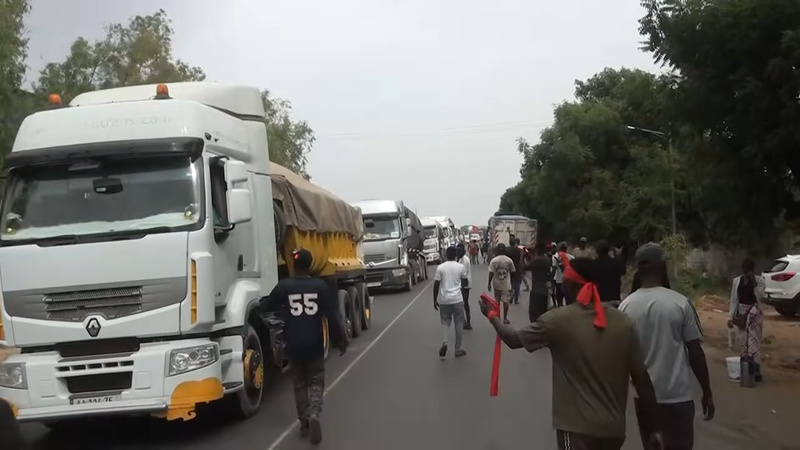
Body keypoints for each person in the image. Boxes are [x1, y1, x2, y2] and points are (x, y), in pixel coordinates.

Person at [480, 257, 664, 450]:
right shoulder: (623, 322)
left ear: (570, 285)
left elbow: (513, 339)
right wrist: (654, 429)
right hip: (614, 431)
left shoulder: (557, 320)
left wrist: (492, 315)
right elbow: (643, 381)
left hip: (576, 429)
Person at [619, 243, 714, 450]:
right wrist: (707, 392)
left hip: (644, 401)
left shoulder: (625, 306)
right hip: (677, 399)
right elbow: (695, 352)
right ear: (663, 268)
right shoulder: (679, 303)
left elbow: (621, 357)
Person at [260, 249, 348, 445]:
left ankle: (304, 423)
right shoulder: (320, 286)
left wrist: (260, 303)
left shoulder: (284, 286)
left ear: (294, 265)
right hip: (314, 343)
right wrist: (339, 340)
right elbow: (332, 315)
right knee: (316, 381)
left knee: (299, 384)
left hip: (293, 344)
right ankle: (315, 412)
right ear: (310, 265)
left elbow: (267, 306)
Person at [728, 257, 765, 382]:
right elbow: (734, 300)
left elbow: (761, 297)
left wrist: (754, 282)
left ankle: (756, 370)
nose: (746, 272)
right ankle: (745, 369)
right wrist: (730, 317)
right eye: (744, 270)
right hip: (741, 315)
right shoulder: (737, 281)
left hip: (754, 314)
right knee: (743, 341)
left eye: (748, 270)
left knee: (754, 341)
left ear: (753, 270)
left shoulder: (760, 281)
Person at [434, 246, 469, 358]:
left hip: (444, 300)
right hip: (457, 299)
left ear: (445, 255)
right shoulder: (460, 267)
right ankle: (457, 350)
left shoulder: (440, 267)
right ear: (455, 255)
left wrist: (434, 299)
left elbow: (436, 284)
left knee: (445, 322)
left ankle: (445, 342)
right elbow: (465, 281)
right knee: (459, 323)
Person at [488, 243, 516, 324]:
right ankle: (505, 318)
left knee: (497, 301)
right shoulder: (509, 260)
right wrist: (512, 283)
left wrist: (489, 283)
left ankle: (497, 317)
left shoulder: (494, 260)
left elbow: (491, 272)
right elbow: (513, 272)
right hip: (506, 284)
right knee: (505, 301)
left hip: (496, 283)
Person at [593, 240, 627, 305]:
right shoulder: (615, 263)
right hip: (614, 299)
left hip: (599, 301)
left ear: (597, 251)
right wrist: (618, 256)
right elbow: (623, 271)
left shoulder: (593, 264)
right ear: (609, 251)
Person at [526, 242, 552, 322]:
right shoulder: (547, 260)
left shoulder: (536, 260)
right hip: (544, 291)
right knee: (543, 313)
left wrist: (527, 256)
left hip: (536, 290)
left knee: (533, 314)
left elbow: (525, 267)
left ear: (537, 249)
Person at [456, 243, 474, 330]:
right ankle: (465, 321)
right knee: (463, 304)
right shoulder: (460, 258)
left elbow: (462, 273)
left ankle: (467, 322)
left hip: (464, 283)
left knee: (464, 304)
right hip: (462, 283)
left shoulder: (464, 260)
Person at [552, 242, 574, 307]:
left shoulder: (555, 256)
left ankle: (560, 309)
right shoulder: (571, 257)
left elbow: (553, 269)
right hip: (568, 280)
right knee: (568, 299)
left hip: (559, 280)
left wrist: (551, 280)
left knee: (559, 299)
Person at [506, 239, 524, 304]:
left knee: (511, 282)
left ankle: (510, 296)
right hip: (517, 267)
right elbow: (521, 260)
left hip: (510, 267)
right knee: (517, 283)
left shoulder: (507, 250)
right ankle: (516, 299)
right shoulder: (518, 250)